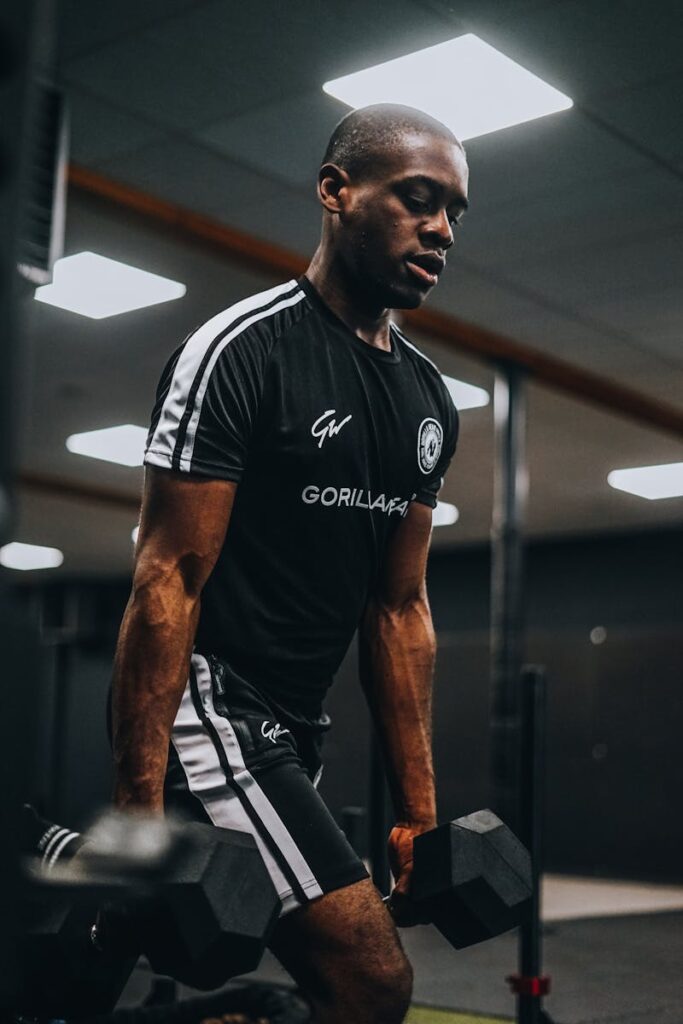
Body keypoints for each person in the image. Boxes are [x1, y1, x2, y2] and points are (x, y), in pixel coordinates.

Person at [112, 103, 469, 1024]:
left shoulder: (428, 398)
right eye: (417, 199)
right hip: (212, 705)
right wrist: (137, 812)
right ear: (335, 191)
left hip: (295, 729)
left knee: (234, 975)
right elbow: (169, 579)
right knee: (372, 979)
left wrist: (418, 818)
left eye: (454, 213)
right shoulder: (242, 350)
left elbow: (399, 609)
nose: (440, 228)